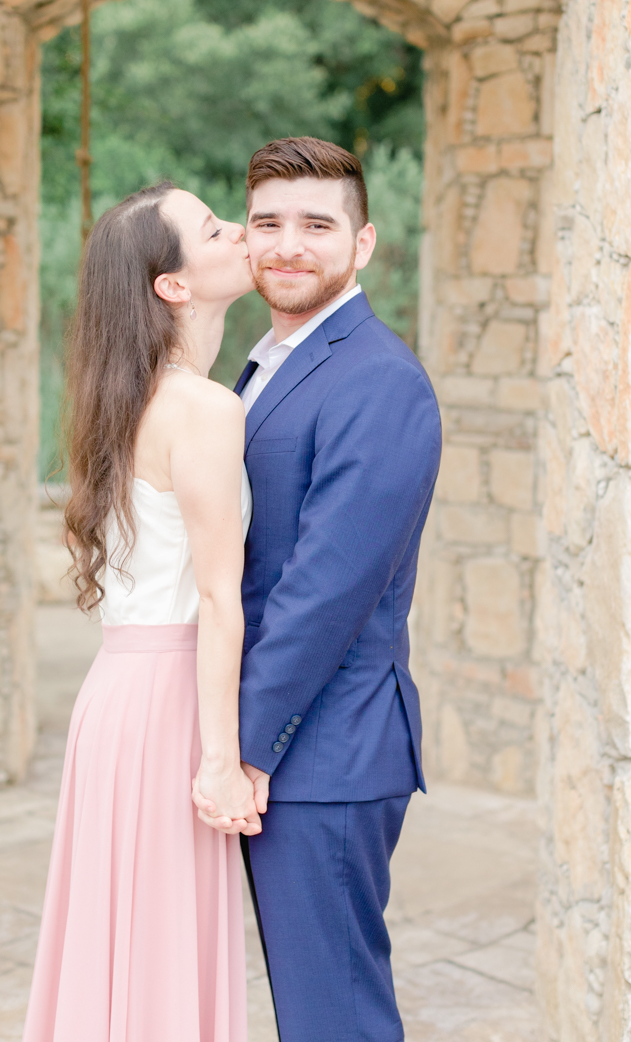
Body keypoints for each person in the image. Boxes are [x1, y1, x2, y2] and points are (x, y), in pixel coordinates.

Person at [194, 137, 442, 1042]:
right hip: (292, 750)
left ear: (363, 243)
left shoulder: (379, 382)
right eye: (268, 223)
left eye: (316, 225)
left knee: (334, 1015)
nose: (288, 245)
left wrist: (244, 751)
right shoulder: (267, 362)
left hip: (323, 753)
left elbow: (325, 592)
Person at [22, 181, 258, 1042]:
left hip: (116, 698)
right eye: (214, 227)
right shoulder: (201, 406)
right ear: (173, 285)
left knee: (121, 934)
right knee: (162, 938)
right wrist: (223, 760)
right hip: (167, 705)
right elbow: (216, 596)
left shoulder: (123, 401)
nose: (240, 231)